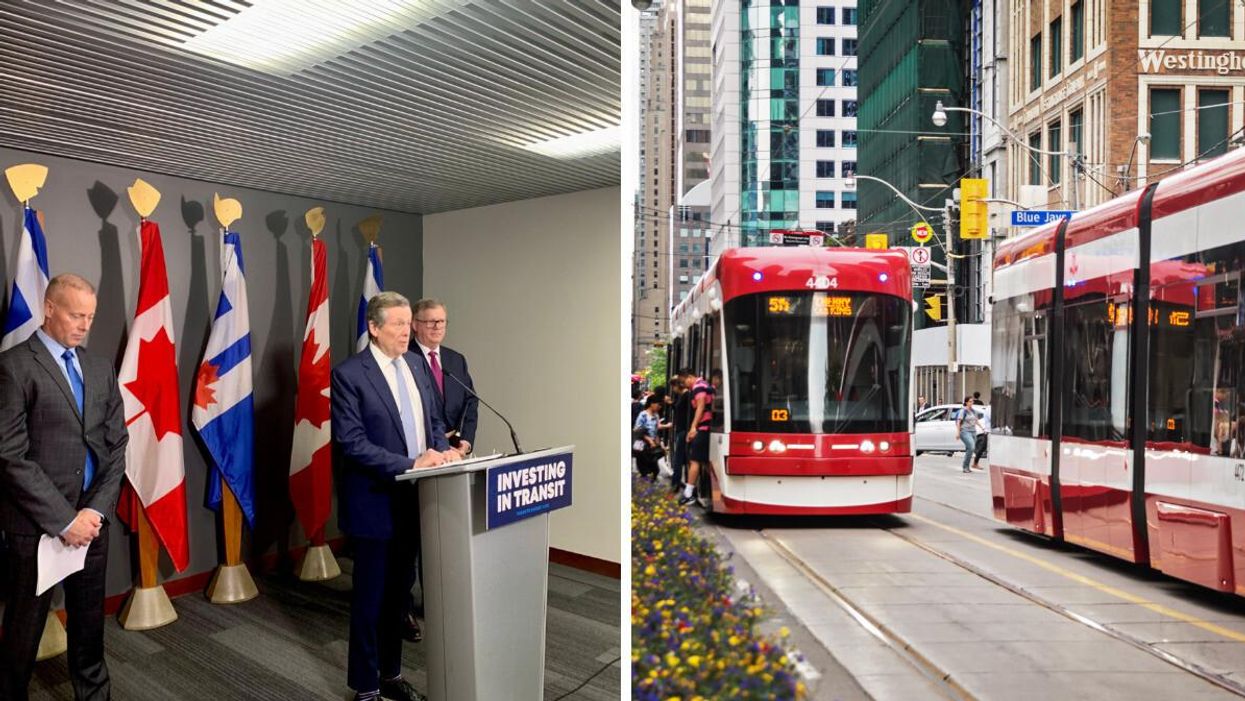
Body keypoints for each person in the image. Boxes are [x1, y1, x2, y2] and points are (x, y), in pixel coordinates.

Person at [0, 274, 128, 701]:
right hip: (36, 529)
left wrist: (93, 514)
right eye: (76, 315)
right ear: (50, 308)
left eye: (90, 317)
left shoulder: (98, 365)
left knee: (90, 628)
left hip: (91, 525)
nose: (84, 325)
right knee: (22, 633)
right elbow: (9, 455)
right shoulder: (14, 366)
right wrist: (62, 520)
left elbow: (116, 444)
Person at [332, 291, 460, 701]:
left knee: (398, 599)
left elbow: (434, 421)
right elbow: (351, 442)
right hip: (375, 503)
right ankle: (366, 688)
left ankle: (391, 676)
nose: (409, 332)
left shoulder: (417, 367)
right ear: (374, 327)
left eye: (410, 324)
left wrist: (441, 452)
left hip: (416, 502)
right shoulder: (350, 375)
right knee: (370, 602)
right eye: (399, 325)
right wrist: (410, 463)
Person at [404, 298, 478, 643]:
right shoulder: (404, 359)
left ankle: (434, 600)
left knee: (441, 531)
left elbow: (471, 403)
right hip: (420, 458)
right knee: (412, 537)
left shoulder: (454, 360)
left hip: (453, 458)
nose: (436, 328)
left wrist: (465, 445)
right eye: (429, 322)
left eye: (442, 322)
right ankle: (403, 605)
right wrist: (437, 446)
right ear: (415, 324)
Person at [679, 369, 720, 506]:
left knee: (695, 460)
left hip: (703, 428)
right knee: (704, 461)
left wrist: (693, 427)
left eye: (684, 381)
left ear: (690, 377)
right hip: (708, 427)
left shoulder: (698, 386)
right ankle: (719, 491)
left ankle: (688, 494)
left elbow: (700, 407)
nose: (684, 385)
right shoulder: (705, 385)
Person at [669, 369, 692, 493]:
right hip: (681, 429)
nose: (673, 390)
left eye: (673, 387)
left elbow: (681, 412)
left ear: (677, 385)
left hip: (683, 430)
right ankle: (683, 482)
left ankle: (675, 483)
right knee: (682, 458)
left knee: (679, 458)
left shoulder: (686, 395)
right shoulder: (683, 396)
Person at [633, 394, 663, 481]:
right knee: (645, 470)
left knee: (655, 470)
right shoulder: (643, 415)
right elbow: (637, 430)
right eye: (658, 404)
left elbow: (656, 430)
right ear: (651, 404)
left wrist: (658, 443)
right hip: (643, 446)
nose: (660, 407)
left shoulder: (656, 415)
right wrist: (649, 440)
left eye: (661, 405)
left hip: (652, 447)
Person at [955, 397, 980, 474]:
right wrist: (958, 432)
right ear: (966, 402)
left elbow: (976, 420)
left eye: (972, 401)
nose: (971, 403)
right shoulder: (963, 411)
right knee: (971, 447)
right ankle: (965, 466)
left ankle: (967, 467)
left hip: (973, 431)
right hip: (965, 431)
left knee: (970, 449)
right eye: (970, 401)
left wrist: (982, 428)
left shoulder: (974, 411)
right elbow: (959, 422)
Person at [971, 402, 991, 470]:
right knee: (983, 447)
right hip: (988, 431)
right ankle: (975, 463)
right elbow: (992, 419)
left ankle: (975, 463)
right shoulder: (989, 409)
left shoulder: (989, 408)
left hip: (989, 431)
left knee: (983, 447)